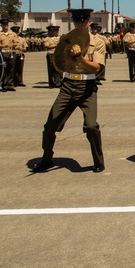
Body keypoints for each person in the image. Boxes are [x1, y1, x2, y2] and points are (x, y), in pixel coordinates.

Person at [37, 9, 107, 173]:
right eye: (77, 21)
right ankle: (46, 159)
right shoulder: (66, 39)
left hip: (87, 87)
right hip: (68, 85)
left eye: (83, 20)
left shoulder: (97, 42)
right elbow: (59, 63)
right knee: (49, 126)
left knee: (91, 126)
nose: (80, 23)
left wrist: (79, 58)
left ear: (89, 21)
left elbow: (96, 68)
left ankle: (98, 161)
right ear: (74, 22)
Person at [0, 19, 17, 91]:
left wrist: (12, 45)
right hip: (3, 52)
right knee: (4, 69)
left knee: (11, 69)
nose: (5, 26)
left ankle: (10, 84)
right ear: (1, 26)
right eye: (4, 25)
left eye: (6, 25)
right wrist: (3, 45)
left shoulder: (13, 34)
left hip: (11, 52)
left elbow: (16, 42)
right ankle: (4, 84)